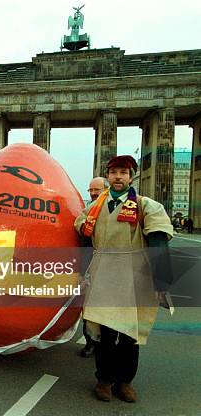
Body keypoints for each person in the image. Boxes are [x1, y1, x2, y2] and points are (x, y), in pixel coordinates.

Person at [74, 155, 173, 403]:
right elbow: (84, 242)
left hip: (134, 276)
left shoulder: (145, 206)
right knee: (105, 333)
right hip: (103, 275)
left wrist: (161, 282)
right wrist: (81, 273)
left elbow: (159, 241)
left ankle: (125, 382)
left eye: (124, 173)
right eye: (114, 172)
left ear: (131, 177)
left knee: (130, 334)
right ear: (108, 175)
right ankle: (104, 381)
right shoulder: (92, 209)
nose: (118, 177)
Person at [79, 177, 109, 358]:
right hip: (90, 262)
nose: (92, 193)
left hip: (111, 264)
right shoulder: (88, 210)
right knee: (88, 305)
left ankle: (106, 343)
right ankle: (90, 341)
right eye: (90, 190)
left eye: (96, 190)